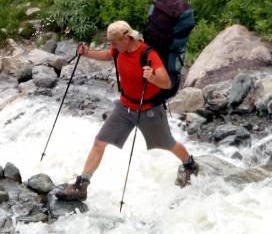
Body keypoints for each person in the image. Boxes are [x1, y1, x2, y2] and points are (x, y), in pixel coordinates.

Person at [55, 21, 199, 201]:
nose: (111, 46)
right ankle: (81, 186)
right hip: (124, 107)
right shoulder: (118, 50)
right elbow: (108, 55)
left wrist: (152, 77)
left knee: (167, 143)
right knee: (99, 142)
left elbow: (167, 83)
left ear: (126, 38)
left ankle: (190, 164)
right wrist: (87, 53)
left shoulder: (148, 54)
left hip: (149, 110)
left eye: (114, 42)